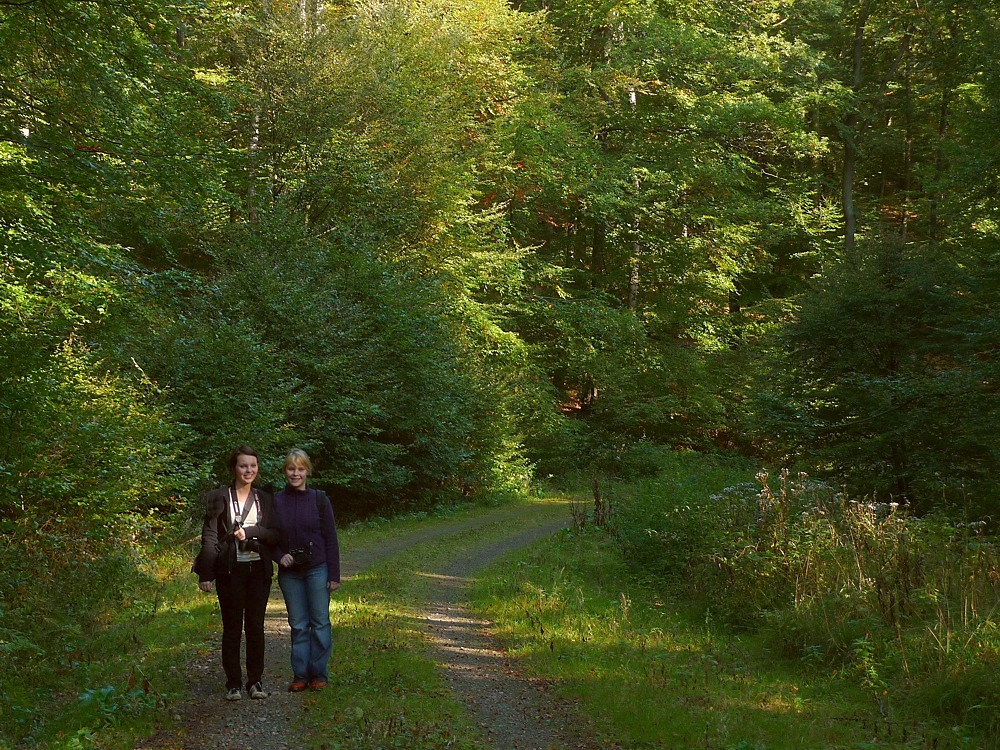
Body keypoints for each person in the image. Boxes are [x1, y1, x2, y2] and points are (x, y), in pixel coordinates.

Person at [192, 445, 279, 701]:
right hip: (230, 571)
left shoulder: (265, 499)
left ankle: (256, 681)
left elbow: (274, 535)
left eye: (253, 465)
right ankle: (233, 683)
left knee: (255, 627)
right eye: (243, 465)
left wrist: (252, 533)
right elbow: (209, 536)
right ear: (234, 468)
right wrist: (205, 573)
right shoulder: (219, 497)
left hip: (257, 571)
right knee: (231, 628)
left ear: (257, 468)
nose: (248, 470)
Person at [273, 448, 341, 691]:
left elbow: (331, 538)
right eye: (291, 469)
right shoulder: (277, 501)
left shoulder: (319, 499)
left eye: (300, 469)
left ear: (308, 471)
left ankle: (319, 673)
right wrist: (279, 556)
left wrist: (334, 575)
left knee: (320, 622)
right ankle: (300, 675)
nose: (295, 473)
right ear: (285, 472)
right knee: (299, 624)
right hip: (290, 573)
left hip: (317, 568)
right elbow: (269, 537)